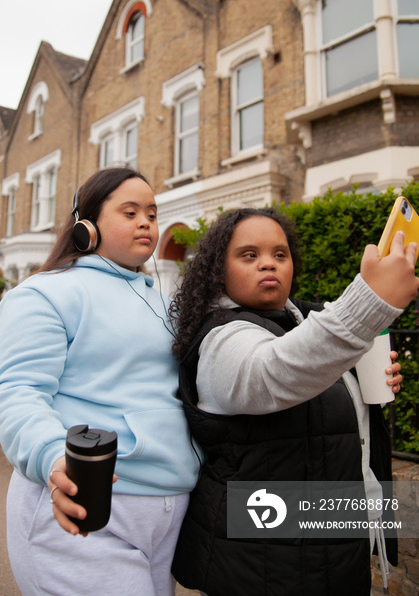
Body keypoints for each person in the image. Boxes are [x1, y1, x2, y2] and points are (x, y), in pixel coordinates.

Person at [169, 207, 419, 596]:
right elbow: (272, 372)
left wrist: (370, 391)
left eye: (280, 254)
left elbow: (320, 412)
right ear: (220, 271)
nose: (268, 263)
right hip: (258, 563)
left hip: (332, 545)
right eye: (249, 255)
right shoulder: (221, 339)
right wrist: (370, 301)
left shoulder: (305, 321)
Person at [0, 166, 201, 596]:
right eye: (130, 212)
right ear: (87, 226)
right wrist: (53, 458)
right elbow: (18, 392)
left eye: (152, 213)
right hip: (87, 503)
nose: (146, 222)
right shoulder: (44, 293)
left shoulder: (168, 305)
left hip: (169, 514)